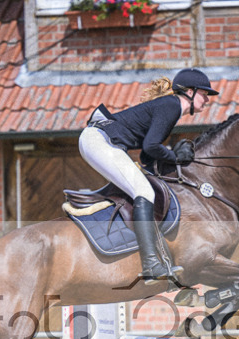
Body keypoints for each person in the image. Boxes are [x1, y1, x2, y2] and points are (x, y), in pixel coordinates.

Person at [79, 67, 218, 282]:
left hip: (98, 140)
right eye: (204, 93)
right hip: (99, 141)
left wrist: (169, 158)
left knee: (143, 187)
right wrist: (174, 157)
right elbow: (152, 146)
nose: (207, 99)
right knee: (143, 191)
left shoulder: (170, 107)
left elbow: (146, 155)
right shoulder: (172, 106)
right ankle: (151, 263)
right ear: (189, 92)